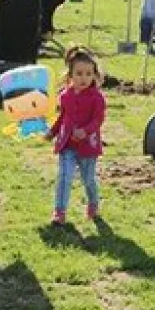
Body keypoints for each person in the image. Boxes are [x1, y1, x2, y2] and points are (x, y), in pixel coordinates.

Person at [45, 46, 107, 225]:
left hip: (88, 147)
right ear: (70, 74)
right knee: (64, 176)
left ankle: (93, 203)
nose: (84, 78)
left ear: (94, 75)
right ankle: (60, 212)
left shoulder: (97, 97)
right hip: (67, 144)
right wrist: (53, 131)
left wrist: (86, 131)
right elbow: (63, 117)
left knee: (88, 179)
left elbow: (98, 119)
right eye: (79, 73)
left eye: (88, 74)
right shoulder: (66, 95)